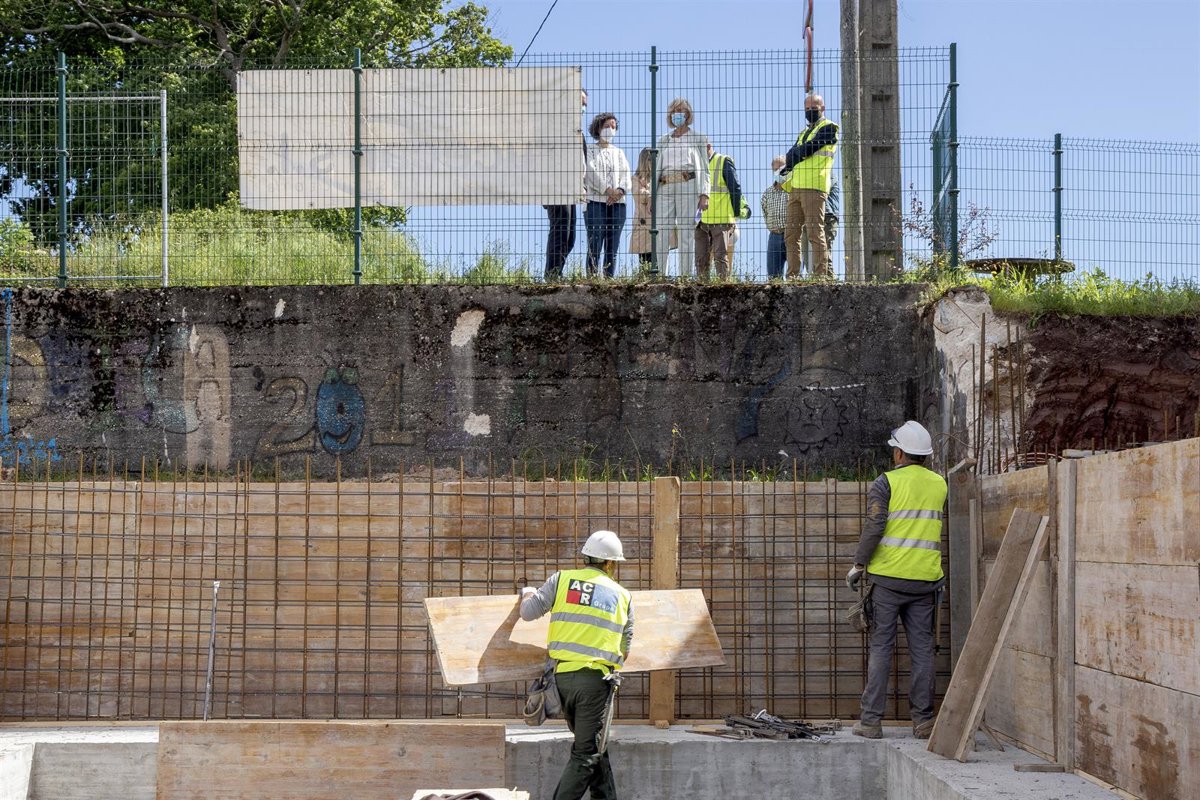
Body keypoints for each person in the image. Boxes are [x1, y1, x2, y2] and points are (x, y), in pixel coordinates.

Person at [847, 421, 947, 741]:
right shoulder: (939, 484)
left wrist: (859, 564)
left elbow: (875, 525)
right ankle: (923, 721)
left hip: (889, 581)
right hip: (925, 581)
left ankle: (871, 722)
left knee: (881, 649)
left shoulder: (885, 482)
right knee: (922, 651)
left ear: (900, 453)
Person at [520, 530, 634, 800]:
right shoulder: (622, 595)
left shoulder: (561, 579)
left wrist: (527, 593)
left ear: (585, 557)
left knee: (596, 745)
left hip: (561, 680)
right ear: (611, 563)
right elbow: (624, 649)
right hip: (595, 683)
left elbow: (528, 613)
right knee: (586, 753)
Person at [781, 93, 838, 278]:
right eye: (807, 108)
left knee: (815, 232)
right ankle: (793, 276)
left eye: (814, 107)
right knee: (791, 235)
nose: (810, 111)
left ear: (823, 108)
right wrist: (796, 154)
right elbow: (791, 155)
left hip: (814, 187)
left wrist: (796, 153)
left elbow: (810, 148)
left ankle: (820, 276)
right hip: (795, 188)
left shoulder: (829, 127)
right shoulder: (804, 132)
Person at [654, 98, 710, 278]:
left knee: (686, 231)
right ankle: (660, 275)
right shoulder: (663, 140)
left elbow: (705, 168)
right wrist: (653, 196)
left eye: (681, 110)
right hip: (664, 187)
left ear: (688, 114)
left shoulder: (698, 138)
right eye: (674, 111)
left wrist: (704, 194)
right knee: (662, 231)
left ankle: (685, 276)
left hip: (688, 184)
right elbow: (656, 168)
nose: (677, 114)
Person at [544, 89, 588, 281]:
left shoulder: (577, 130)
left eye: (585, 104)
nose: (583, 107)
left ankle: (556, 273)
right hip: (557, 186)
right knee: (560, 230)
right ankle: (552, 275)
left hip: (572, 189)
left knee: (570, 237)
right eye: (580, 101)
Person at [583, 113, 631, 278]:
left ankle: (609, 278)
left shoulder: (619, 152)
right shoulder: (590, 149)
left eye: (613, 127)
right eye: (606, 126)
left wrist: (620, 191)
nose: (610, 129)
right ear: (598, 128)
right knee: (595, 243)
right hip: (595, 202)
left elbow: (626, 175)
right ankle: (592, 279)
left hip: (618, 204)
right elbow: (590, 172)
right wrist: (607, 190)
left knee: (612, 246)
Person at [694, 142, 748, 281]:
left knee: (720, 257)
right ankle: (702, 287)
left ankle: (723, 287)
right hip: (701, 221)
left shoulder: (723, 161)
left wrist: (735, 214)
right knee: (701, 259)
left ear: (708, 147)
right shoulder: (698, 165)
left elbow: (735, 188)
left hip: (721, 219)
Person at [801, 181, 841, 275]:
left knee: (824, 251)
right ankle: (814, 277)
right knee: (808, 254)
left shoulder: (828, 175)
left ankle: (828, 277)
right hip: (809, 216)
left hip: (827, 216)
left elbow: (818, 188)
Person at [761, 154, 789, 279]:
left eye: (782, 168)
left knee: (795, 275)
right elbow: (765, 213)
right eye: (776, 169)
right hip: (774, 236)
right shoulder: (767, 193)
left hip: (792, 235)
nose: (779, 172)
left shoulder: (794, 190)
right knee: (773, 277)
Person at [629, 148, 656, 274]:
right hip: (643, 223)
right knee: (644, 260)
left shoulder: (657, 178)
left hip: (657, 223)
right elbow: (639, 195)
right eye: (651, 160)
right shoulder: (635, 179)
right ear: (645, 161)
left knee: (659, 258)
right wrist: (651, 196)